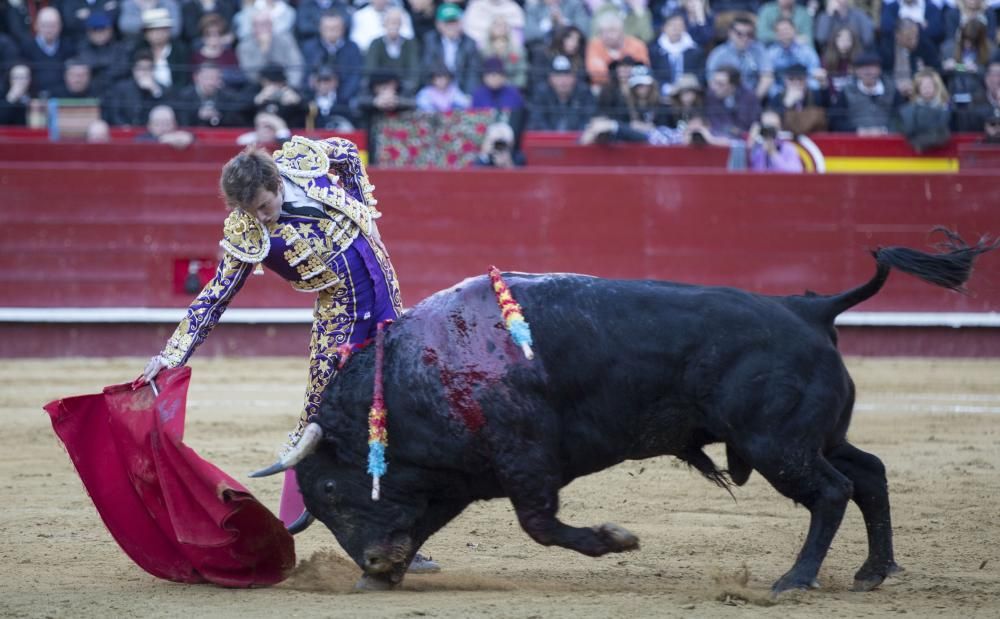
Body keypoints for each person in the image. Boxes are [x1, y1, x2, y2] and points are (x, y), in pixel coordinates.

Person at [139, 136, 439, 573]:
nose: (262, 217)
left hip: (388, 303)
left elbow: (349, 153)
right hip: (340, 322)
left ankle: (392, 533)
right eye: (251, 212)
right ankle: (328, 519)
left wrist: (360, 208)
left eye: (264, 205)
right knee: (324, 422)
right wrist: (172, 355)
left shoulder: (304, 162)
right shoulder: (249, 233)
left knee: (397, 414)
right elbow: (216, 295)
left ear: (276, 181)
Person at [705, 16, 773, 101]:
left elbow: (767, 77)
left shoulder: (759, 50)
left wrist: (754, 100)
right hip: (724, 99)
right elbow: (711, 81)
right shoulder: (718, 54)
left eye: (749, 34)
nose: (745, 38)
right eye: (739, 34)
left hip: (754, 98)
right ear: (730, 33)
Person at [421, 3, 483, 96]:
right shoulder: (430, 40)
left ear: (461, 23)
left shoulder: (470, 43)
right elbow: (426, 68)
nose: (451, 26)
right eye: (447, 22)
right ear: (438, 24)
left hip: (461, 91)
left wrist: (468, 94)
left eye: (454, 22)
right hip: (435, 90)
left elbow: (473, 74)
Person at [526, 53, 596, 130]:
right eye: (558, 75)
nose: (563, 80)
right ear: (550, 78)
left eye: (567, 74)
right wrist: (552, 139)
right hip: (548, 140)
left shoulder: (584, 92)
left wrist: (577, 138)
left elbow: (589, 119)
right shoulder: (541, 92)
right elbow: (537, 120)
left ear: (574, 77)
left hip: (578, 140)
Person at [363, 6, 421, 96]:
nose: (393, 25)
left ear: (401, 24)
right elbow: (370, 71)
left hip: (404, 91)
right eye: (390, 22)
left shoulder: (410, 44)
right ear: (384, 24)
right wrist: (383, 89)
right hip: (378, 91)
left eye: (397, 22)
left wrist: (399, 89)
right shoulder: (375, 44)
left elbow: (414, 72)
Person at [647, 10, 705, 99]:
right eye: (672, 25)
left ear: (685, 28)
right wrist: (666, 89)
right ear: (664, 28)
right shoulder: (654, 51)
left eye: (679, 25)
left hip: (689, 94)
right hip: (662, 95)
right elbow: (652, 74)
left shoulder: (695, 50)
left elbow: (700, 75)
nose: (676, 29)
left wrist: (686, 88)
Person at [20, 6, 76, 97]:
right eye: (45, 25)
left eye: (53, 25)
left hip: (64, 98)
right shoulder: (26, 47)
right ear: (36, 26)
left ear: (60, 26)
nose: (49, 29)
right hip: (35, 98)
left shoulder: (68, 47)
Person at [585, 11, 650, 87]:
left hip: (634, 87)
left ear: (622, 31)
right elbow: (596, 74)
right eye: (604, 32)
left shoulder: (637, 45)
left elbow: (642, 70)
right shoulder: (594, 45)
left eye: (612, 31)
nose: (608, 35)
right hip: (604, 88)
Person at [898, 67, 951, 152]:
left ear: (937, 87)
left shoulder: (946, 109)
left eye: (930, 85)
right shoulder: (907, 110)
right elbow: (907, 131)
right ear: (917, 88)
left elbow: (944, 134)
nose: (926, 88)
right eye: (923, 85)